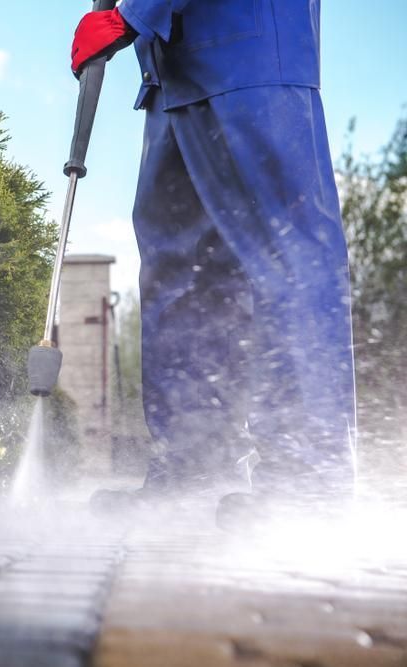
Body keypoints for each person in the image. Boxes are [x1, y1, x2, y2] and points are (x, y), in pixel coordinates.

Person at [71, 0, 357, 527]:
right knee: (181, 273)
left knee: (289, 256)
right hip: (170, 74)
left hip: (250, 60)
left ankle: (308, 482)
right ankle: (193, 468)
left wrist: (130, 14)